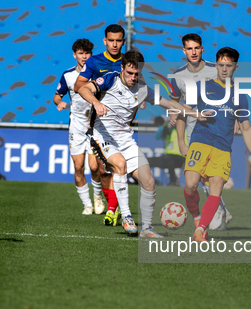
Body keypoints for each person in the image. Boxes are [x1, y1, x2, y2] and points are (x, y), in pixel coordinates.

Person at [77, 50, 204, 238]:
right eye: (129, 73)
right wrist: (96, 103)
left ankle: (146, 229)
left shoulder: (143, 89)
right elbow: (83, 88)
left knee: (149, 181)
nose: (133, 77)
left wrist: (196, 114)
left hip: (126, 140)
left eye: (137, 74)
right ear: (122, 68)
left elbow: (169, 104)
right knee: (120, 164)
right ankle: (127, 217)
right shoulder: (110, 79)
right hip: (102, 136)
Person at [183, 47, 251, 242]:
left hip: (222, 147)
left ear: (236, 67)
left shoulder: (240, 96)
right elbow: (183, 110)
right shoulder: (202, 86)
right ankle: (197, 219)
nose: (223, 69)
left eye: (228, 66)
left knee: (217, 188)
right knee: (190, 186)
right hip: (200, 142)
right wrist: (181, 140)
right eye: (220, 65)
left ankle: (201, 230)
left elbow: (246, 128)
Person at [171, 33, 231, 229]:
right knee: (192, 183)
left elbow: (232, 93)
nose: (193, 52)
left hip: (216, 131)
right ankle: (213, 213)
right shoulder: (178, 76)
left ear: (202, 49)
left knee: (210, 180)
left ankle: (215, 213)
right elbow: (175, 104)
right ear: (184, 51)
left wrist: (236, 118)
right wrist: (180, 139)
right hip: (192, 132)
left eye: (197, 48)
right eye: (189, 48)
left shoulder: (216, 70)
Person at [74, 24, 126, 226]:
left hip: (121, 124)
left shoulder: (128, 61)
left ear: (123, 41)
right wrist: (95, 97)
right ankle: (112, 202)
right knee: (100, 169)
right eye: (111, 40)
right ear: (105, 41)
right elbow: (79, 86)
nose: (115, 44)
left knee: (118, 168)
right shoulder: (95, 61)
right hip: (99, 122)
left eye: (118, 40)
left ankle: (114, 208)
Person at [54, 38, 104, 215]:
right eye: (81, 53)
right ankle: (87, 204)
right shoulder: (68, 75)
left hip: (95, 125)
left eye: (87, 53)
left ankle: (98, 196)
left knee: (95, 167)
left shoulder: (98, 73)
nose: (84, 57)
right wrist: (59, 102)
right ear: (74, 54)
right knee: (78, 167)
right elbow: (57, 95)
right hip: (76, 125)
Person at [147, 116, 186, 186]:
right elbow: (157, 136)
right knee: (146, 161)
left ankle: (172, 181)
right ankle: (150, 180)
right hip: (167, 157)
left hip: (181, 158)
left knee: (169, 159)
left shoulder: (184, 130)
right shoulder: (168, 130)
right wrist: (164, 125)